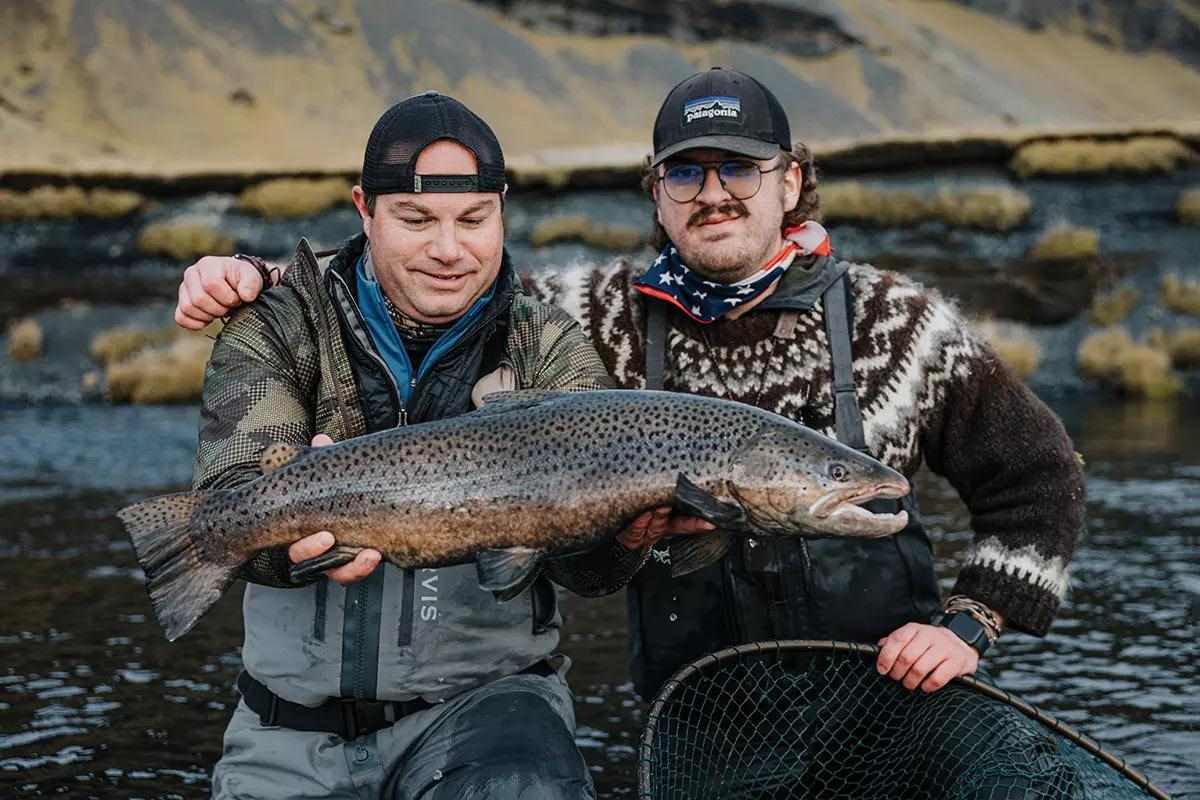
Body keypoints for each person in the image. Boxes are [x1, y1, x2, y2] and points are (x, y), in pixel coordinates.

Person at [177, 69, 1086, 787]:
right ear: (657, 193)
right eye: (687, 171)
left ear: (792, 181)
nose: (714, 191)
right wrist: (262, 280)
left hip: (900, 698)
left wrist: (972, 623)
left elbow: (1042, 478)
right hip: (707, 724)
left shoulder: (902, 320)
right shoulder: (592, 313)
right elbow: (433, 281)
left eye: (742, 167)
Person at [188, 90, 637, 800]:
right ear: (364, 210)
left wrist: (632, 530)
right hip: (286, 735)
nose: (450, 249)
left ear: (504, 208)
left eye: (475, 219)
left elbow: (592, 575)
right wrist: (287, 547)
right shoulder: (278, 325)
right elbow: (228, 506)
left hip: (492, 718)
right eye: (417, 219)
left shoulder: (546, 344)